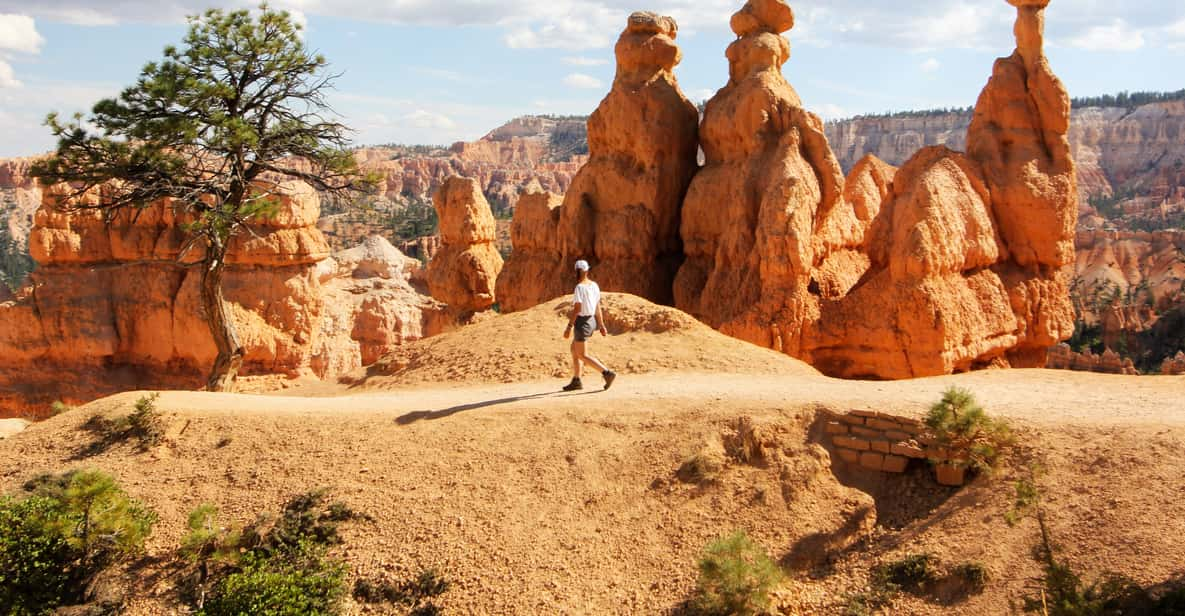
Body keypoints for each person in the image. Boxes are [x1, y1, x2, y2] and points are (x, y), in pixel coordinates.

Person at [562, 260, 616, 391]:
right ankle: (576, 380)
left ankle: (607, 373)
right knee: (574, 349)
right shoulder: (594, 285)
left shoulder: (579, 287)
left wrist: (569, 327)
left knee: (582, 355)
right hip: (592, 321)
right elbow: (597, 307)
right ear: (587, 271)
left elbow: (577, 309)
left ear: (576, 271)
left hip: (582, 322)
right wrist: (601, 325)